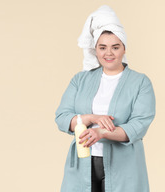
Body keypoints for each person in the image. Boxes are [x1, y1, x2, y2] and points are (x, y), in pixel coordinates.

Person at [55, 5, 156, 192]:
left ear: (124, 48)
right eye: (102, 47)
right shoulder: (80, 79)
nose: (108, 53)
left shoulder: (140, 82)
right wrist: (92, 118)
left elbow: (138, 125)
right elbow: (62, 117)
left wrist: (101, 133)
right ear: (96, 49)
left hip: (125, 168)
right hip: (82, 164)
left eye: (115, 47)